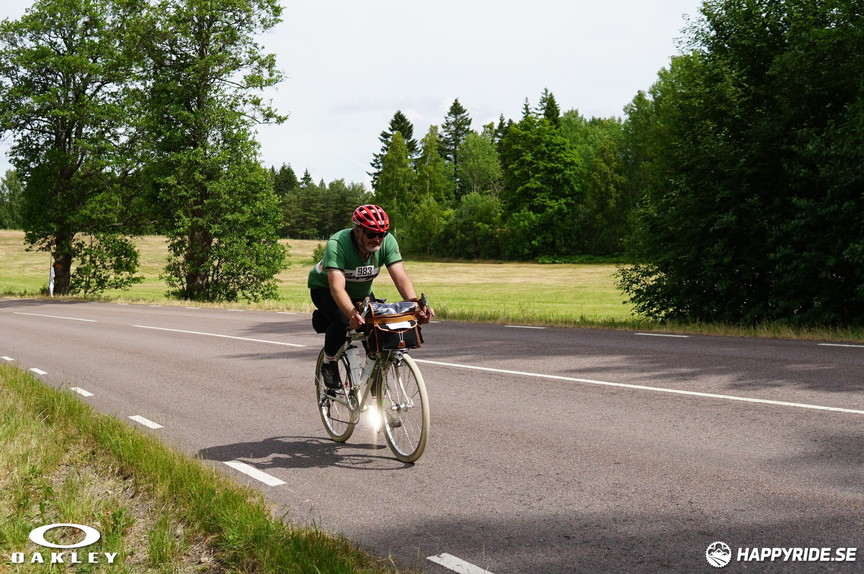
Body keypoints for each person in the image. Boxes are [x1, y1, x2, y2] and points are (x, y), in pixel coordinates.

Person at [308, 204, 433, 389]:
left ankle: (373, 381)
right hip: (325, 289)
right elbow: (337, 288)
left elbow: (401, 277)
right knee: (343, 321)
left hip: (361, 293)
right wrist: (352, 314)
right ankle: (329, 361)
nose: (377, 239)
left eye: (381, 234)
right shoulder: (338, 244)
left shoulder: (388, 242)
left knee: (378, 328)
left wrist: (415, 305)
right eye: (371, 234)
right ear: (357, 230)